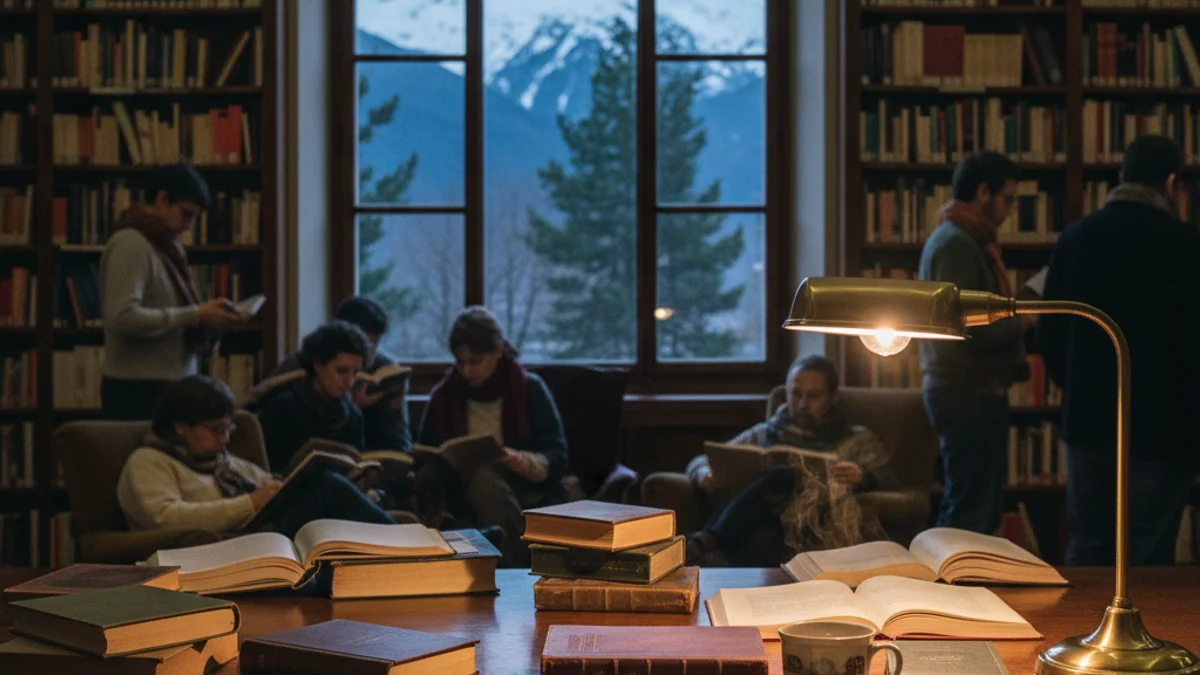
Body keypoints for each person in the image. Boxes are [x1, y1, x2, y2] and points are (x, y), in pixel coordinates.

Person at [1038, 134, 1200, 566]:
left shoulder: (1076, 238)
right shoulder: (1187, 245)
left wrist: (1074, 385)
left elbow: (1049, 333)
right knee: (1149, 548)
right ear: (1171, 183)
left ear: (1121, 175)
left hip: (1091, 419)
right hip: (1167, 427)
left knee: (1089, 544)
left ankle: (1083, 632)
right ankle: (1146, 633)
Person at [117, 375, 394, 540]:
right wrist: (249, 503)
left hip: (263, 534)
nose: (225, 439)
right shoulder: (149, 462)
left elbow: (269, 486)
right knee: (326, 486)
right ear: (181, 428)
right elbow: (163, 518)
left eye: (228, 428)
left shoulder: (225, 462)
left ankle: (403, 556)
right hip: (229, 544)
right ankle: (412, 548)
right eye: (217, 429)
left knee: (326, 488)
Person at [684, 356, 897, 567]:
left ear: (833, 398)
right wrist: (703, 472)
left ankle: (709, 540)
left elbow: (891, 479)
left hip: (813, 521)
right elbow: (704, 459)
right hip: (765, 524)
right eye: (796, 394)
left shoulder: (856, 438)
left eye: (814, 396)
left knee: (782, 477)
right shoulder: (766, 432)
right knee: (765, 534)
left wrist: (864, 476)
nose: (803, 404)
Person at [918, 151, 1028, 535]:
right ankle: (956, 589)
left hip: (971, 390)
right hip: (967, 392)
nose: (1011, 210)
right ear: (984, 192)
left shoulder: (964, 239)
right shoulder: (957, 243)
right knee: (969, 512)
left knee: (979, 509)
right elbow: (963, 326)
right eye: (1009, 198)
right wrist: (1021, 320)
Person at [416, 306, 568, 567]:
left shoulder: (529, 389)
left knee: (484, 479)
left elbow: (557, 455)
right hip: (460, 491)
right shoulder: (445, 395)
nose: (466, 370)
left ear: (497, 351)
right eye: (460, 362)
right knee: (480, 478)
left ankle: (512, 563)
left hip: (525, 487)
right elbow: (426, 454)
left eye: (475, 361)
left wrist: (522, 460)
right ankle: (518, 565)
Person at [99, 164, 247, 420]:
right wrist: (195, 316)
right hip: (139, 390)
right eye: (186, 214)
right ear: (162, 199)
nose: (188, 227)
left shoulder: (165, 245)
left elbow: (173, 313)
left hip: (167, 384)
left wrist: (210, 319)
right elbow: (121, 317)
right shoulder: (132, 243)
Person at [266, 296, 411, 452]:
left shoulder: (382, 369)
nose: (349, 381)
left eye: (374, 345)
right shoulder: (296, 375)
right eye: (342, 371)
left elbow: (396, 437)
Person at [257, 321, 370, 472]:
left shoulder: (353, 415)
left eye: (355, 373)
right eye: (342, 371)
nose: (349, 382)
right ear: (318, 365)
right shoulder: (283, 407)